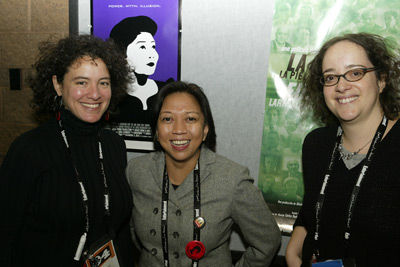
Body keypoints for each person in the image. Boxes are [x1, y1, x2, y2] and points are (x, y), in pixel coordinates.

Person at [0, 35, 136, 266]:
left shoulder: (114, 145)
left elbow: (117, 226)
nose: (94, 94)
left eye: (103, 82)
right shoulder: (30, 149)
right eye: (81, 82)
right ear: (58, 85)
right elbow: (4, 233)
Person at [127, 81, 281, 266]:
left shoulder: (232, 179)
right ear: (156, 130)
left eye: (190, 119)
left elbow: (267, 241)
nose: (178, 130)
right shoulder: (136, 172)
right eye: (167, 119)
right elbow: (132, 235)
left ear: (205, 129)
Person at [285, 33, 400, 266]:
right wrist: (293, 255)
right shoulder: (317, 144)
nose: (342, 85)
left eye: (355, 73)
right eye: (330, 77)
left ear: (382, 80)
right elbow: (315, 210)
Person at [109, 16, 174, 124]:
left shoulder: (166, 90)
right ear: (122, 53)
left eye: (153, 47)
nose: (152, 55)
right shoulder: (110, 94)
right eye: (143, 47)